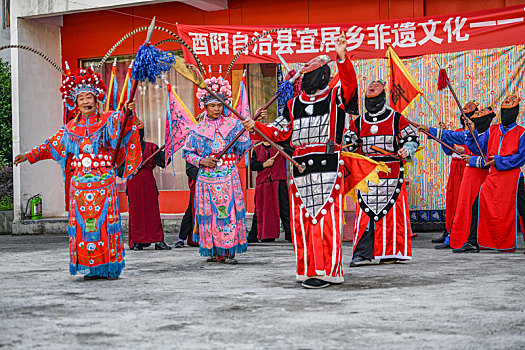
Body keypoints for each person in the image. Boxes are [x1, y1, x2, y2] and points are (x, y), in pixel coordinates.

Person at [243, 34, 359, 288]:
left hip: (329, 164)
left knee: (326, 220)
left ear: (324, 76)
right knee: (302, 221)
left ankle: (327, 270)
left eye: (312, 74)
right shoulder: (293, 104)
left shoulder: (336, 98)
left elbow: (350, 84)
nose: (307, 78)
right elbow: (278, 131)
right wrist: (257, 127)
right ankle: (307, 270)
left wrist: (342, 57)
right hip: (300, 167)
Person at [14, 67, 141, 280]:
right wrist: (28, 155)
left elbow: (125, 128)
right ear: (75, 102)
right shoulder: (70, 128)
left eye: (88, 96)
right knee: (84, 229)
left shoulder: (109, 119)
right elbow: (50, 145)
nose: (85, 101)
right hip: (80, 185)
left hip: (104, 182)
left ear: (96, 97)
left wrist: (129, 114)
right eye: (80, 98)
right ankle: (89, 267)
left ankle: (108, 266)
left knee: (104, 226)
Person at [344, 79, 419, 267]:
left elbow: (411, 138)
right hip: (367, 174)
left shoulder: (396, 118)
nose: (372, 91)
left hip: (392, 174)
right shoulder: (359, 121)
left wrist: (407, 149)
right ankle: (362, 253)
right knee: (365, 214)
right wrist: (349, 144)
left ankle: (391, 251)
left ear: (382, 95)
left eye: (375, 91)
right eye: (369, 92)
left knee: (392, 214)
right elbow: (350, 142)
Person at [182, 76, 252, 264]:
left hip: (229, 175)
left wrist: (246, 130)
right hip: (207, 179)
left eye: (219, 105)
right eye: (212, 105)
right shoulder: (197, 129)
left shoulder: (233, 125)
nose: (216, 109)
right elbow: (187, 154)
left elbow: (243, 146)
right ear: (204, 106)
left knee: (228, 213)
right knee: (210, 214)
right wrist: (202, 160)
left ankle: (229, 252)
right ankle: (213, 250)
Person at [419, 106, 495, 251]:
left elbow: (490, 158)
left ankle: (478, 239)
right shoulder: (468, 134)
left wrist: (471, 158)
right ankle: (460, 236)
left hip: (485, 175)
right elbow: (449, 138)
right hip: (469, 173)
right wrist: (430, 130)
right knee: (462, 205)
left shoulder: (492, 134)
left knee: (478, 207)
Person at [458, 95, 525, 253]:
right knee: (478, 204)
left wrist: (499, 160)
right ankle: (473, 241)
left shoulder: (522, 133)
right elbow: (478, 149)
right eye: (504, 111)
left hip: (513, 177)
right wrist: (471, 132)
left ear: (516, 112)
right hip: (494, 176)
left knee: (523, 208)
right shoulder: (492, 130)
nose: (505, 114)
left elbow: (520, 158)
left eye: (509, 111)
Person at [431, 101, 478, 248]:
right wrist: (444, 135)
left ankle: (462, 234)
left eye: (468, 116)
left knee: (464, 201)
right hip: (455, 168)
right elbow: (448, 151)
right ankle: (449, 231)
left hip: (467, 167)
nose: (465, 119)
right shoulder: (457, 131)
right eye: (463, 116)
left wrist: (465, 151)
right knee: (452, 199)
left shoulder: (475, 134)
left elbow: (478, 150)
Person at [121, 121, 171, 251]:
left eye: (139, 133)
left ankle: (158, 240)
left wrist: (168, 151)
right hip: (133, 184)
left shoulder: (151, 147)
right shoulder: (125, 150)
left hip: (148, 182)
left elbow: (163, 162)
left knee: (152, 211)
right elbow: (118, 168)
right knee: (136, 212)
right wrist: (130, 170)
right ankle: (138, 241)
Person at [250, 141, 291, 242]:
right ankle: (254, 234)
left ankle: (290, 234)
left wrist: (284, 146)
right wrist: (264, 164)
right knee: (260, 209)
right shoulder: (256, 149)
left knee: (284, 209)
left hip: (279, 180)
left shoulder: (280, 148)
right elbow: (253, 166)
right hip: (263, 182)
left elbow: (292, 154)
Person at [175, 161, 199, 248]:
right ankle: (181, 238)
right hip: (197, 185)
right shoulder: (192, 152)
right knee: (191, 211)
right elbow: (190, 171)